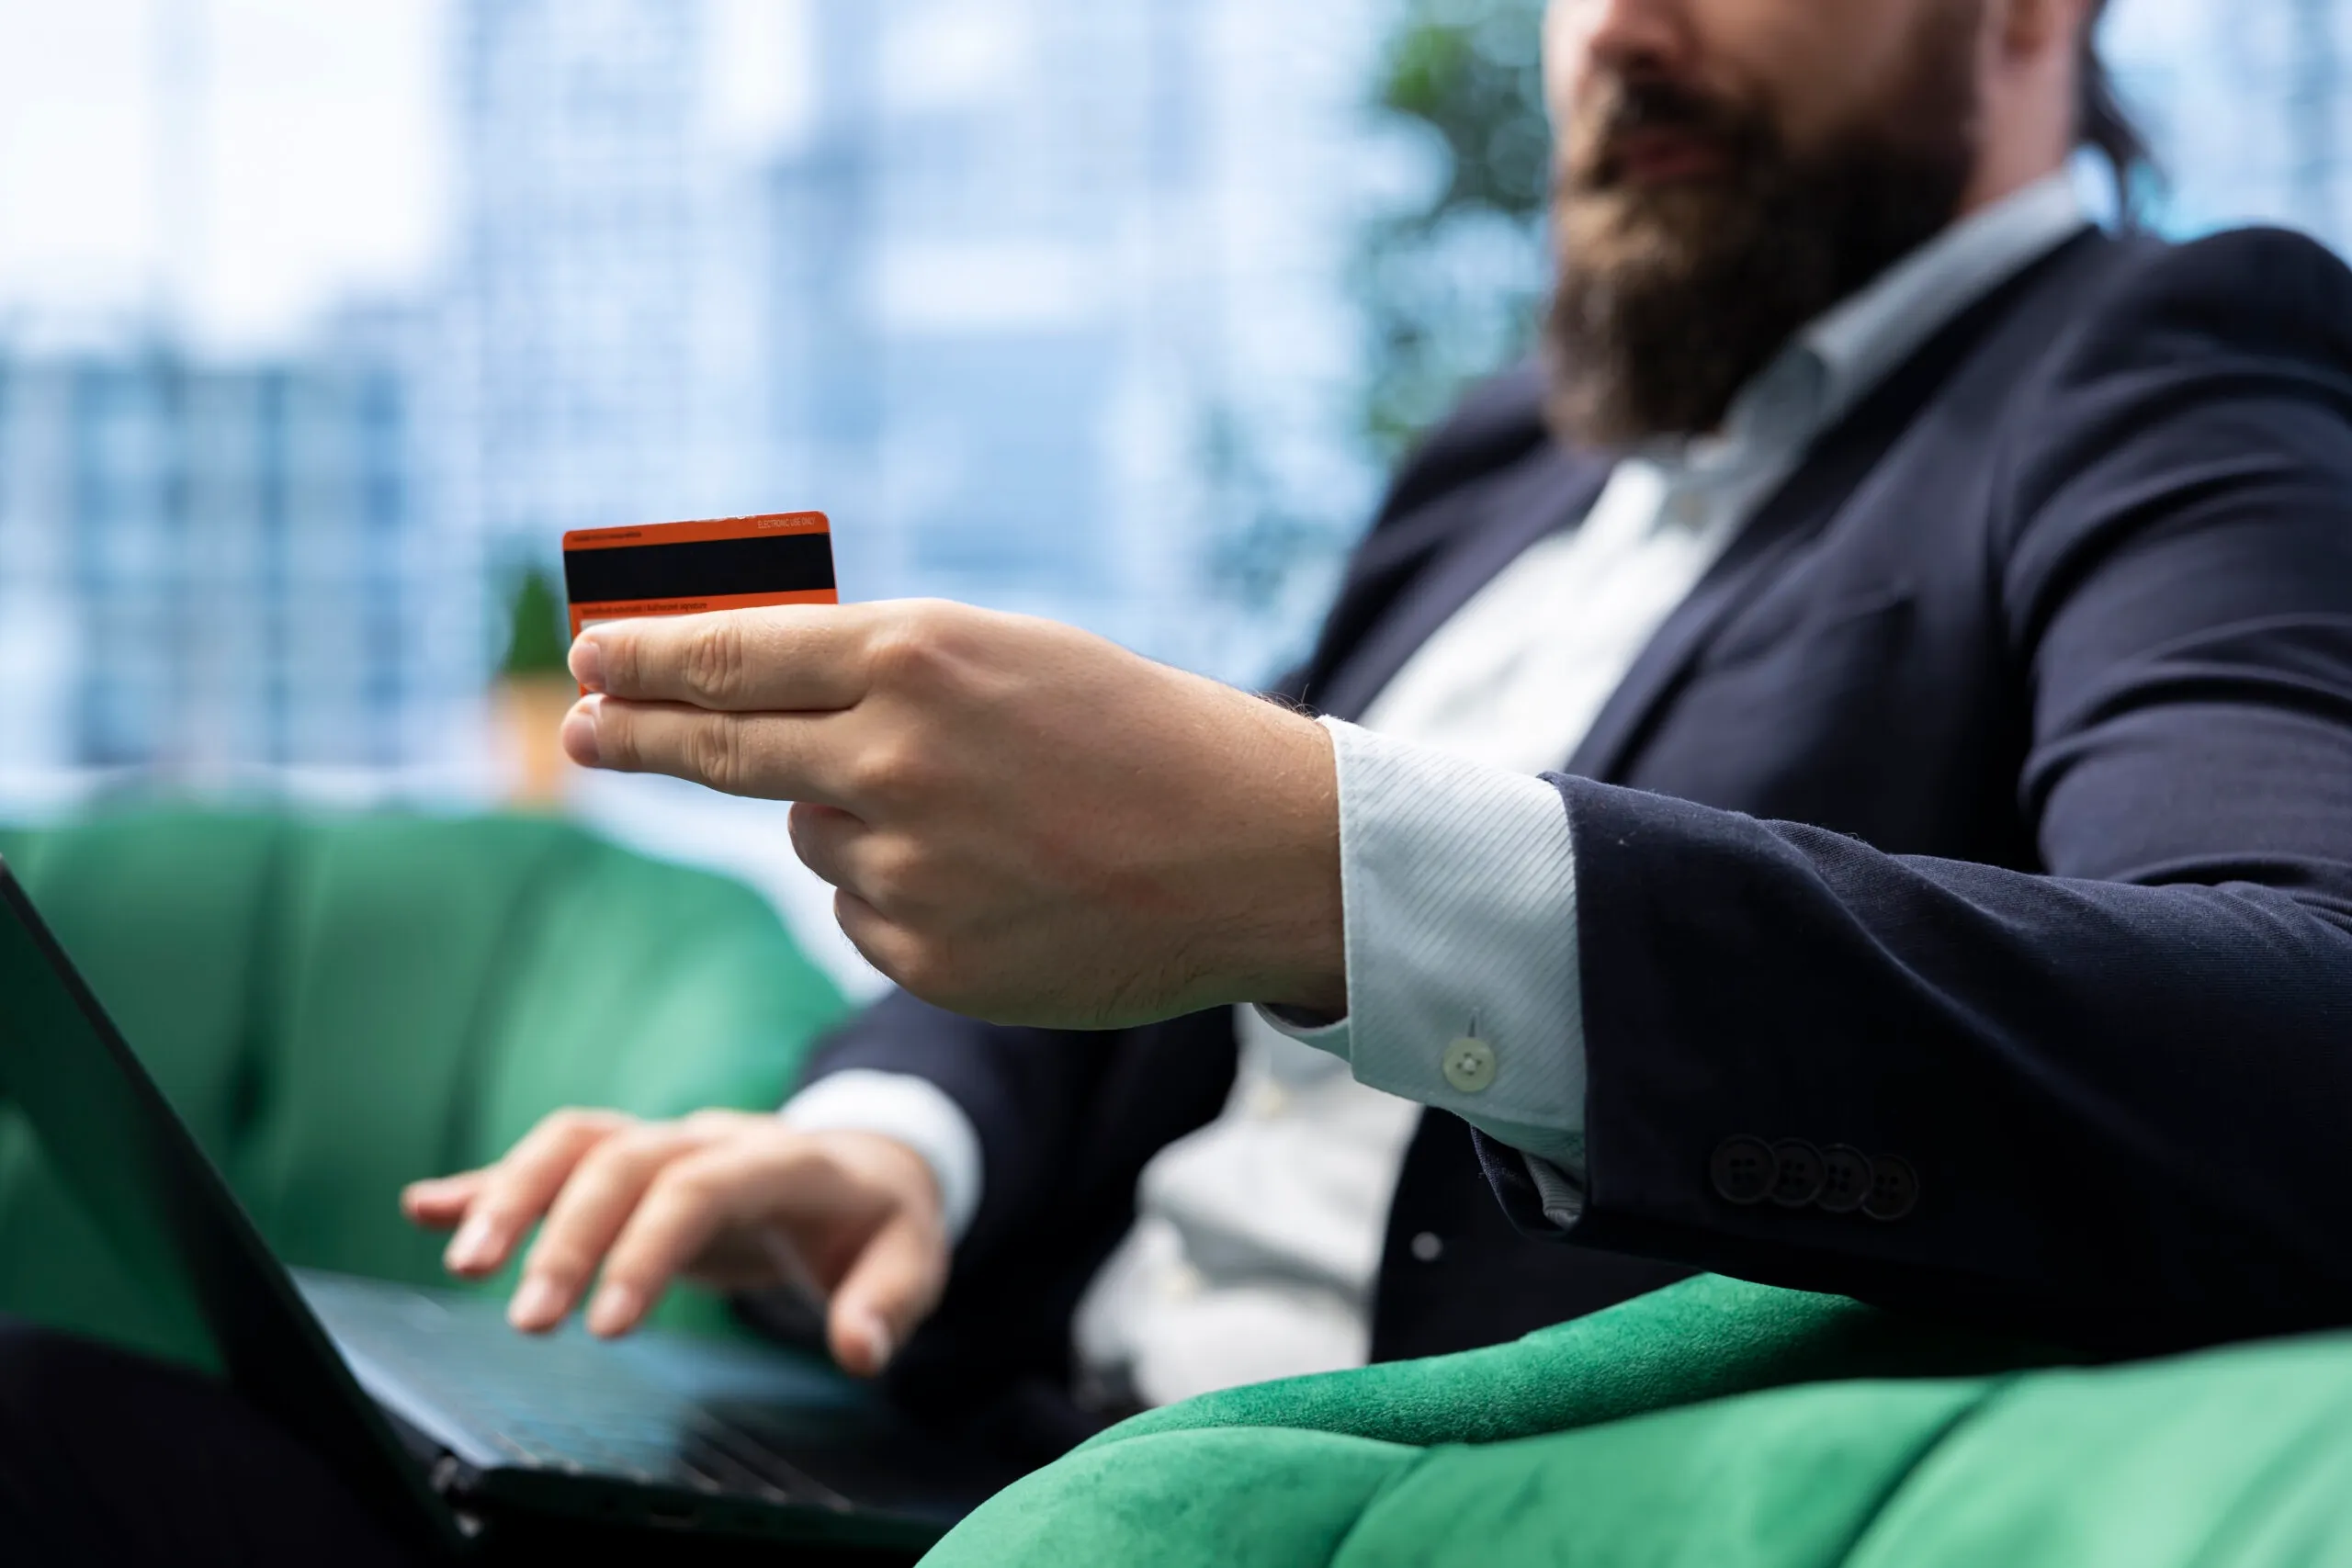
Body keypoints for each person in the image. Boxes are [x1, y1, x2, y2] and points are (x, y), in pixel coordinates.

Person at [12, 0, 2352, 1558]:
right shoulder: (1490, 470)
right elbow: (1151, 950)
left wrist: (1332, 862)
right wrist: (882, 1144)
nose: (1609, 28)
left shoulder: (2159, 369)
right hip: (968, 1445)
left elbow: (2298, 1015)